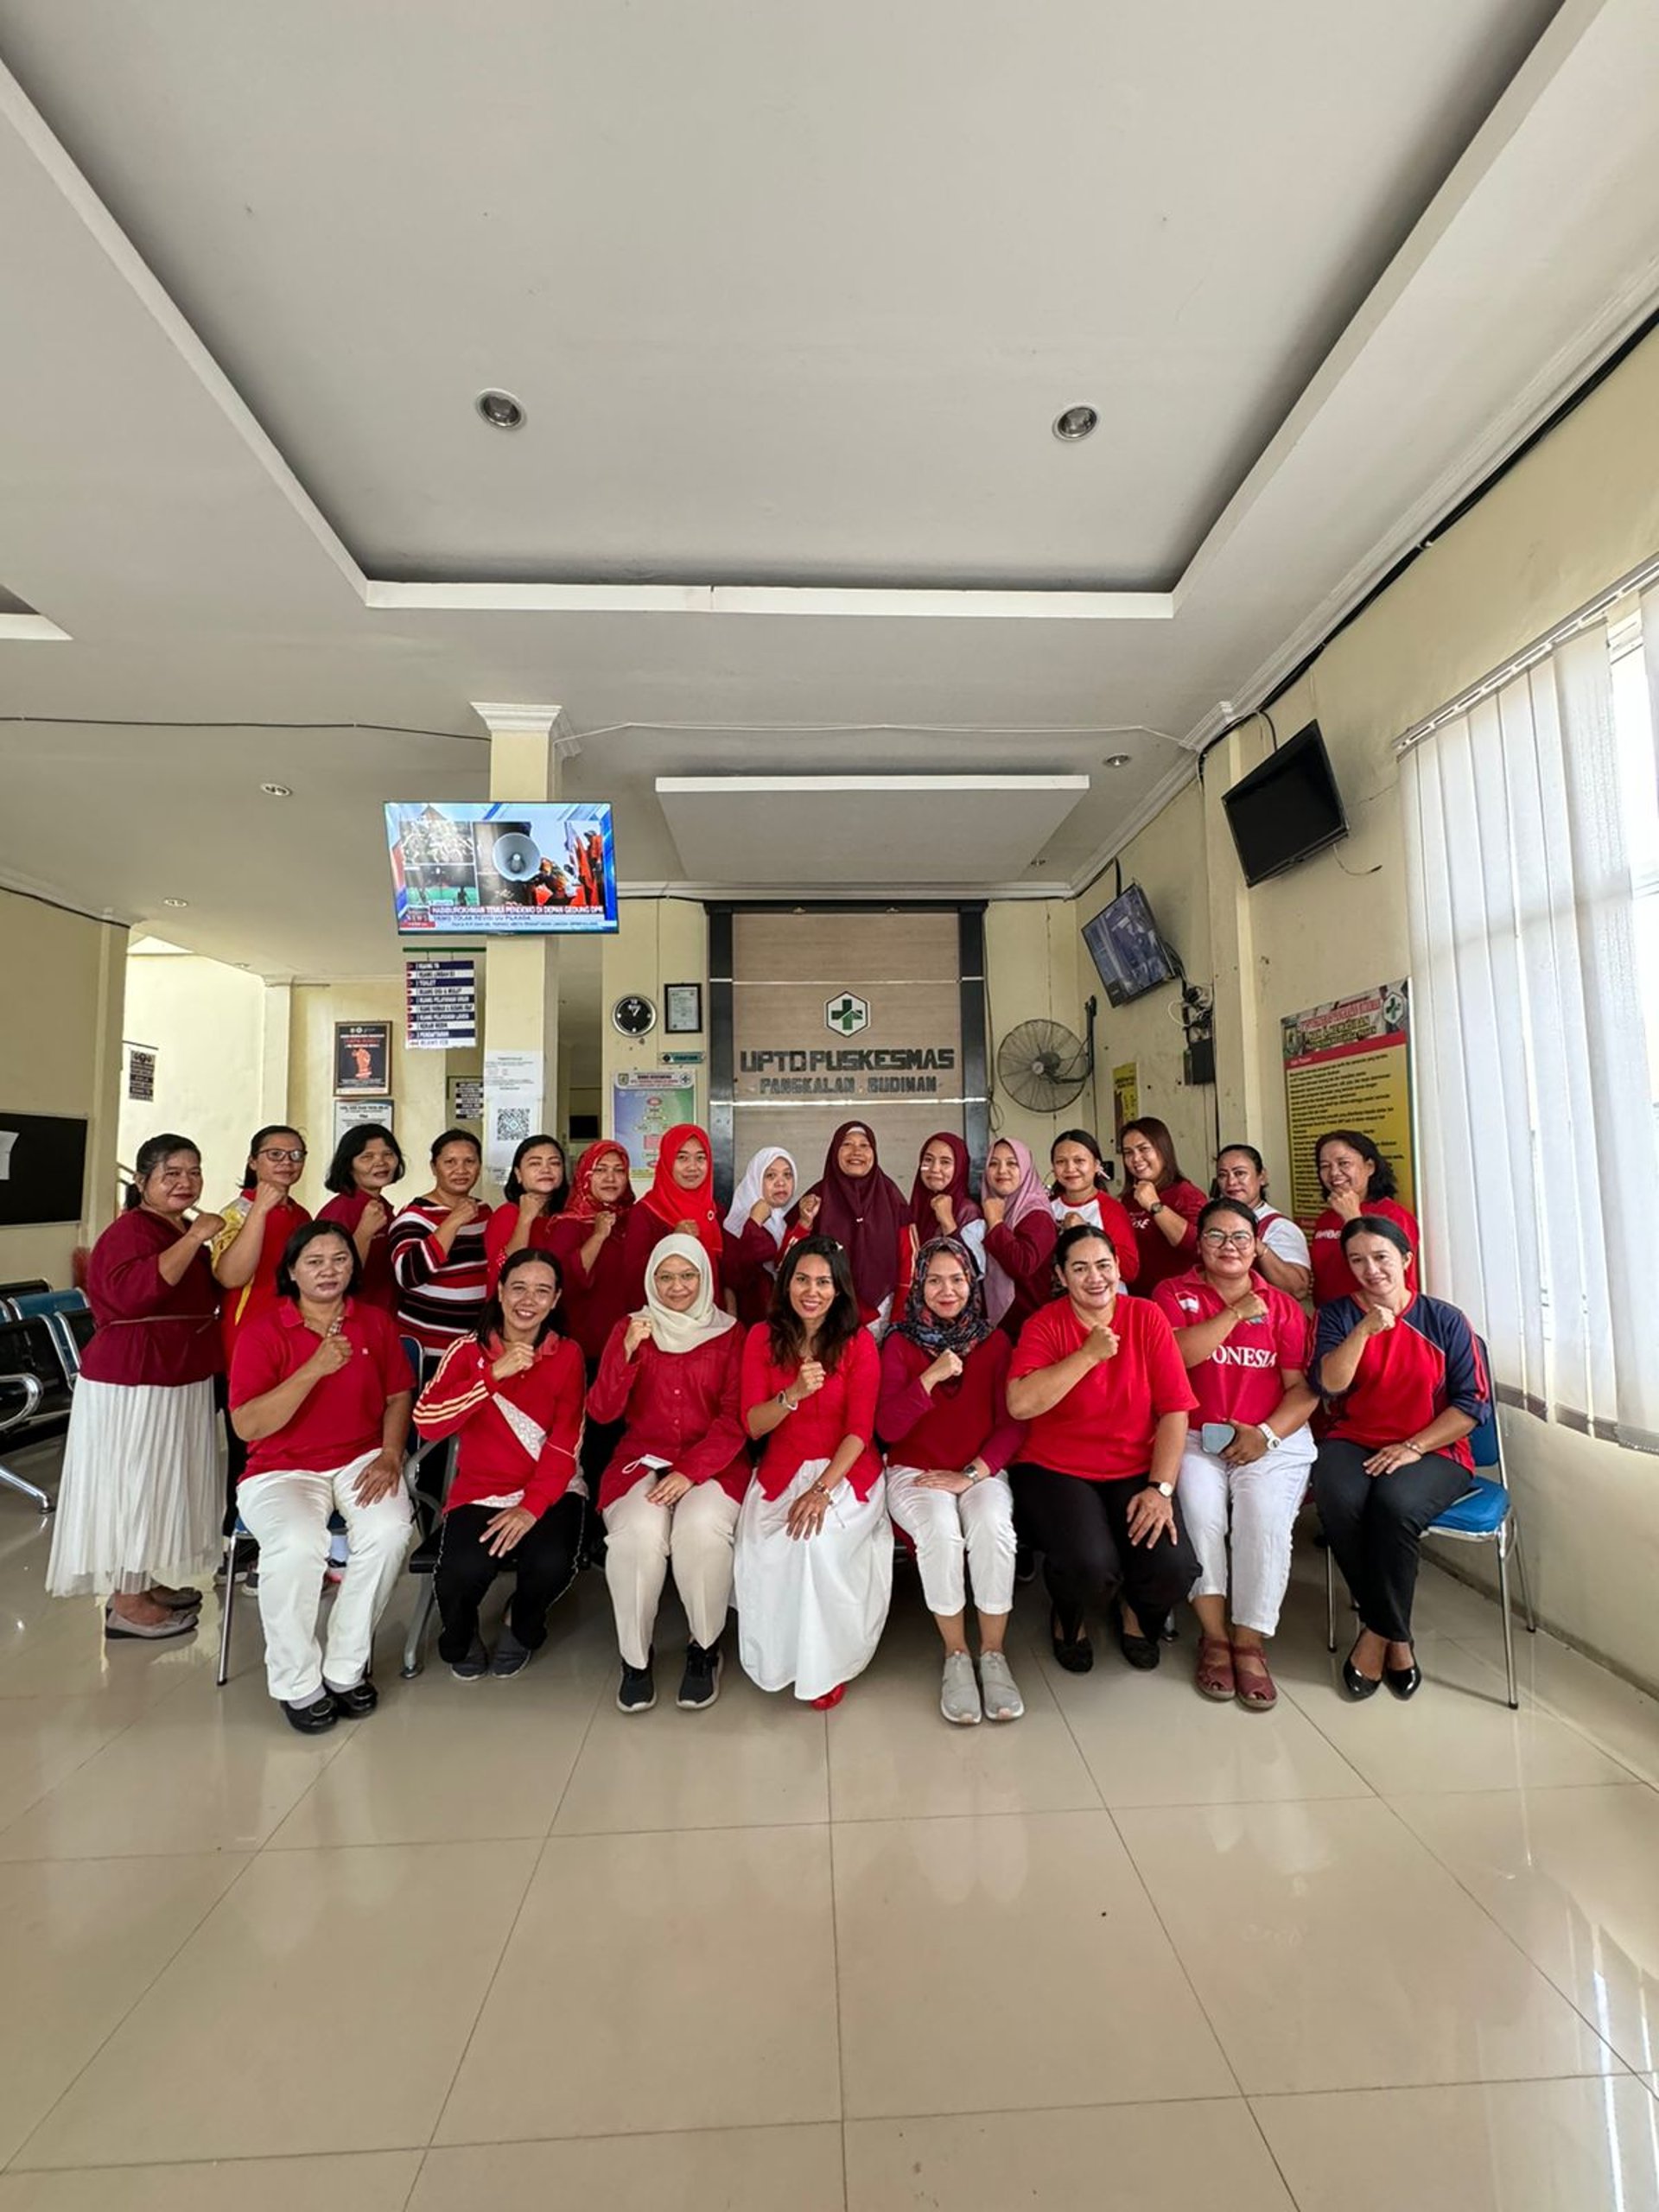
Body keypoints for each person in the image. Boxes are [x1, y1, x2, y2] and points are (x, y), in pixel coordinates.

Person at [228, 1222, 415, 1732]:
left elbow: (399, 1395)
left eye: (339, 1259)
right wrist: (313, 1368)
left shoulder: (373, 1322)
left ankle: (344, 1667)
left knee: (389, 1530)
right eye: (314, 1261)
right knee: (297, 1541)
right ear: (292, 1271)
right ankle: (296, 1681)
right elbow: (248, 1424)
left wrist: (392, 1453)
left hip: (361, 1457)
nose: (329, 1270)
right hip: (279, 1468)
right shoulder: (263, 1332)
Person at [46, 1135, 225, 1638]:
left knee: (161, 1480)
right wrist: (194, 1241)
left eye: (194, 1171)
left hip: (176, 1369)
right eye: (172, 1173)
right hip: (135, 1376)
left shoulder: (178, 1227)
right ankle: (125, 1603)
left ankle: (141, 1580)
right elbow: (133, 1295)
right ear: (142, 1181)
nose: (185, 1182)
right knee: (134, 1482)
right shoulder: (132, 1231)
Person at [1006, 1225, 1198, 1674]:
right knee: (1090, 1567)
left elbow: (1175, 1410)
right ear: (1060, 1276)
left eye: (1103, 1265)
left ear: (1117, 1269)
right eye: (1080, 1268)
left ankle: (1135, 1612)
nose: (1095, 1277)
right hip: (1055, 1467)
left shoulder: (1146, 1317)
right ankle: (1068, 1619)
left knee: (1174, 1565)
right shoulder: (1045, 1324)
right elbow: (1019, 1404)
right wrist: (1088, 1355)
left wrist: (1161, 1489)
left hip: (1134, 1466)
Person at [1312, 1217, 1490, 1700]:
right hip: (1354, 1439)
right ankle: (1394, 1631)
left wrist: (1413, 1447)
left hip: (1434, 1446)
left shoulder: (1444, 1320)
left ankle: (1379, 1634)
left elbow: (1471, 1405)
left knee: (1393, 1505)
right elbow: (1330, 1383)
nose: (1371, 1270)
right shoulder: (1337, 1316)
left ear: (1407, 1260)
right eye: (1357, 1260)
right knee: (1336, 1494)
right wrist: (1366, 1330)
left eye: (1381, 1257)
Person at [1153, 1198, 1318, 1710]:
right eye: (1217, 1237)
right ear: (1199, 1243)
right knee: (1201, 1516)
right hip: (1197, 1436)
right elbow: (1174, 1357)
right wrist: (1234, 1314)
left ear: (1256, 1246)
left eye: (1241, 1238)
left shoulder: (1285, 1307)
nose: (1229, 1247)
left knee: (1262, 1520)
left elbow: (1302, 1389)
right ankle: (1213, 1636)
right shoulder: (1172, 1293)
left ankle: (1249, 1641)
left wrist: (1265, 1435)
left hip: (1270, 1439)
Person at [588, 1235, 749, 1713]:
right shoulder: (631, 1328)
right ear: (650, 1279)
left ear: (704, 1278)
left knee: (699, 1531)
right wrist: (626, 1354)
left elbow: (735, 1417)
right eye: (665, 1276)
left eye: (688, 1276)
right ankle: (635, 1659)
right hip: (642, 1457)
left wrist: (690, 1470)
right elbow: (601, 1412)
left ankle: (705, 1648)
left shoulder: (731, 1333)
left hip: (714, 1460)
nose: (676, 1287)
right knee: (636, 1535)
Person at [412, 1249, 587, 1680]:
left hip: (551, 1487)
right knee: (459, 1571)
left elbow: (567, 1442)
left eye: (542, 1291)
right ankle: (460, 1635)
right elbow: (428, 1421)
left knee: (552, 1563)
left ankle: (521, 1624)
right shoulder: (466, 1350)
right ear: (501, 1291)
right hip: (480, 1487)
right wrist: (492, 1376)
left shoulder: (567, 1355)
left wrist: (532, 1506)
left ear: (556, 1299)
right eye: (519, 1288)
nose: (528, 1300)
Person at [735, 1236, 892, 1707]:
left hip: (846, 1471)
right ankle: (784, 1658)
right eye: (802, 1279)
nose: (812, 1291)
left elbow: (860, 1432)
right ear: (786, 1285)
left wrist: (822, 1491)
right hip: (783, 1466)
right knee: (769, 1547)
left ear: (839, 1290)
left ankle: (826, 1664)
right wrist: (792, 1395)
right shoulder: (761, 1338)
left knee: (815, 1544)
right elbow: (752, 1424)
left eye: (824, 1282)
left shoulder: (859, 1342)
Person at [879, 1236, 1025, 1725]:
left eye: (957, 1279)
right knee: (940, 1532)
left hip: (978, 1468)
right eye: (935, 1280)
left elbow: (1012, 1424)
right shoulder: (899, 1342)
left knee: (992, 1527)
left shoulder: (995, 1341)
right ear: (920, 1285)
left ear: (972, 1283)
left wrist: (972, 1474)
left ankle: (993, 1653)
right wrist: (928, 1379)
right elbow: (887, 1428)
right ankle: (957, 1655)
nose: (947, 1290)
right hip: (914, 1470)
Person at [211, 1125, 312, 1522]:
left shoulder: (301, 1214)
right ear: (253, 1162)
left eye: (296, 1155)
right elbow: (230, 1276)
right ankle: (241, 1539)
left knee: (289, 1442)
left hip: (294, 1343)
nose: (286, 1163)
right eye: (275, 1154)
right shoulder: (234, 1213)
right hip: (246, 1348)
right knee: (249, 1448)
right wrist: (260, 1212)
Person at [386, 1128, 493, 1361]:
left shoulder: (484, 1211)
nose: (461, 1170)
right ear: (434, 1168)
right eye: (450, 1162)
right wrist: (453, 1221)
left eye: (469, 1162)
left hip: (473, 1347)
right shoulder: (413, 1216)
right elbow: (408, 1275)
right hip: (426, 1350)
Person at [797, 1121, 909, 1326]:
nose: (856, 1151)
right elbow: (788, 1260)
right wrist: (805, 1222)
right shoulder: (817, 1197)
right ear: (834, 1151)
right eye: (847, 1144)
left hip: (883, 1312)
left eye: (864, 1145)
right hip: (825, 1310)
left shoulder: (891, 1196)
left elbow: (908, 1257)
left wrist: (899, 1315)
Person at [548, 1140, 638, 1374]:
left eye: (619, 1170)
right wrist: (598, 1237)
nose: (611, 1178)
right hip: (586, 1348)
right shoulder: (568, 1224)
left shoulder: (633, 1219)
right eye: (600, 1170)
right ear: (584, 1175)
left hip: (631, 1341)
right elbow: (560, 1282)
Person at [620, 1124, 732, 1304]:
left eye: (700, 1158)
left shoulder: (716, 1212)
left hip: (711, 1319)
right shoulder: (645, 1213)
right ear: (666, 1161)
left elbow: (728, 1277)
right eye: (682, 1158)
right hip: (664, 1321)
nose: (692, 1167)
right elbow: (631, 1278)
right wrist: (672, 1242)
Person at [1310, 1129, 1421, 1306]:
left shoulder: (1393, 1216)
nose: (1334, 1173)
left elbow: (1392, 1276)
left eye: (1344, 1163)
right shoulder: (1326, 1218)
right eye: (1325, 1166)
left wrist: (1353, 1218)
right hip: (1332, 1320)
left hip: (1376, 1318)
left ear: (1370, 1167)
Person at [318, 1122, 405, 1313]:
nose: (380, 1163)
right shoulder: (340, 1210)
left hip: (385, 1317)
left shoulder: (380, 1205)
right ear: (349, 1165)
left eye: (388, 1154)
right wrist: (364, 1232)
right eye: (367, 1157)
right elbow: (332, 1274)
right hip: (352, 1319)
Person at [1211, 1144, 1313, 1301]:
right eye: (1223, 1175)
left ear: (1262, 1177)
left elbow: (1297, 1289)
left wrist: (1258, 1246)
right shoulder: (1212, 1220)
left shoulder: (1279, 1227)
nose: (1231, 1182)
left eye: (1240, 1173)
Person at [981, 1136, 1059, 1338]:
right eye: (994, 1163)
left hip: (1028, 1325)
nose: (1002, 1171)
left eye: (1012, 1163)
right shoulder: (992, 1206)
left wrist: (997, 1224)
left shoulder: (1036, 1215)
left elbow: (1023, 1264)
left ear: (1025, 1169)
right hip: (998, 1327)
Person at [1119, 1117, 1206, 1294]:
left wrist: (1155, 1205)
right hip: (1138, 1301)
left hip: (1179, 1300)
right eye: (1128, 1153)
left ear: (1163, 1150)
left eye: (1144, 1149)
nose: (1136, 1159)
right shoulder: (1128, 1199)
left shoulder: (1186, 1194)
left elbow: (1196, 1246)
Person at [723, 1145, 804, 1326]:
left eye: (787, 1175)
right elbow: (738, 1275)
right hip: (754, 1322)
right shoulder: (736, 1223)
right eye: (770, 1176)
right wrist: (754, 1222)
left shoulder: (787, 1219)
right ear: (755, 1180)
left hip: (789, 1321)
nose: (781, 1182)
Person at [1047, 1128, 1139, 1281]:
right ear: (1053, 1169)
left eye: (1079, 1161)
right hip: (1057, 1301)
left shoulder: (1111, 1209)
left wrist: (1087, 1231)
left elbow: (1130, 1269)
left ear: (1097, 1165)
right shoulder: (1046, 1208)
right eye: (1061, 1162)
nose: (1070, 1169)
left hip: (1106, 1300)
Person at [483, 1133, 569, 1290]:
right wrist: (525, 1220)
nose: (546, 1169)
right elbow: (504, 1270)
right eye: (535, 1164)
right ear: (518, 1174)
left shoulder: (565, 1217)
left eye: (555, 1163)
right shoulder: (508, 1213)